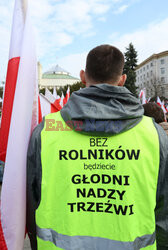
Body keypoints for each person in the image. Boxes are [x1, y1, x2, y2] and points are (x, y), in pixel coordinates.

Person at [27, 45, 168, 250]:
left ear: (83, 76)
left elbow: (30, 203)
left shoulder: (47, 131)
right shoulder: (154, 135)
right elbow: (163, 211)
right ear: (122, 80)